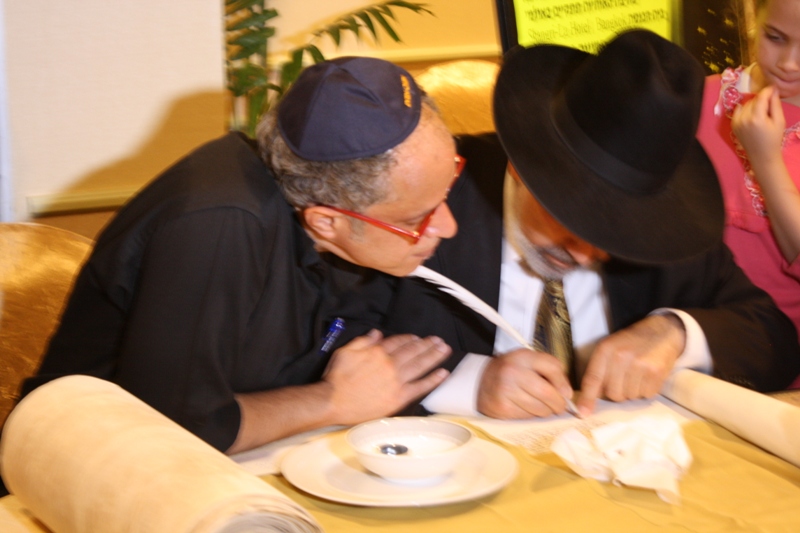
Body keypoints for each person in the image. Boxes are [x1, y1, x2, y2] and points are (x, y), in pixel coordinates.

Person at [19, 57, 460, 454]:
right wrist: (331, 401)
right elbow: (175, 431)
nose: (447, 226)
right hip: (81, 468)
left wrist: (487, 381)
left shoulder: (346, 215)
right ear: (327, 222)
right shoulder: (215, 226)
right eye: (418, 217)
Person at [387, 30, 800, 420]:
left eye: (610, 234)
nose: (585, 255)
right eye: (572, 219)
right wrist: (471, 383)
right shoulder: (425, 198)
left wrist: (675, 333)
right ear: (522, 166)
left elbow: (775, 341)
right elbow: (337, 341)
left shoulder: (667, 227)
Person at [696, 0, 800, 387]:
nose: (789, 63)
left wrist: (766, 161)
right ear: (751, 17)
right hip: (696, 358)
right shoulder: (701, 100)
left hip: (786, 375)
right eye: (775, 38)